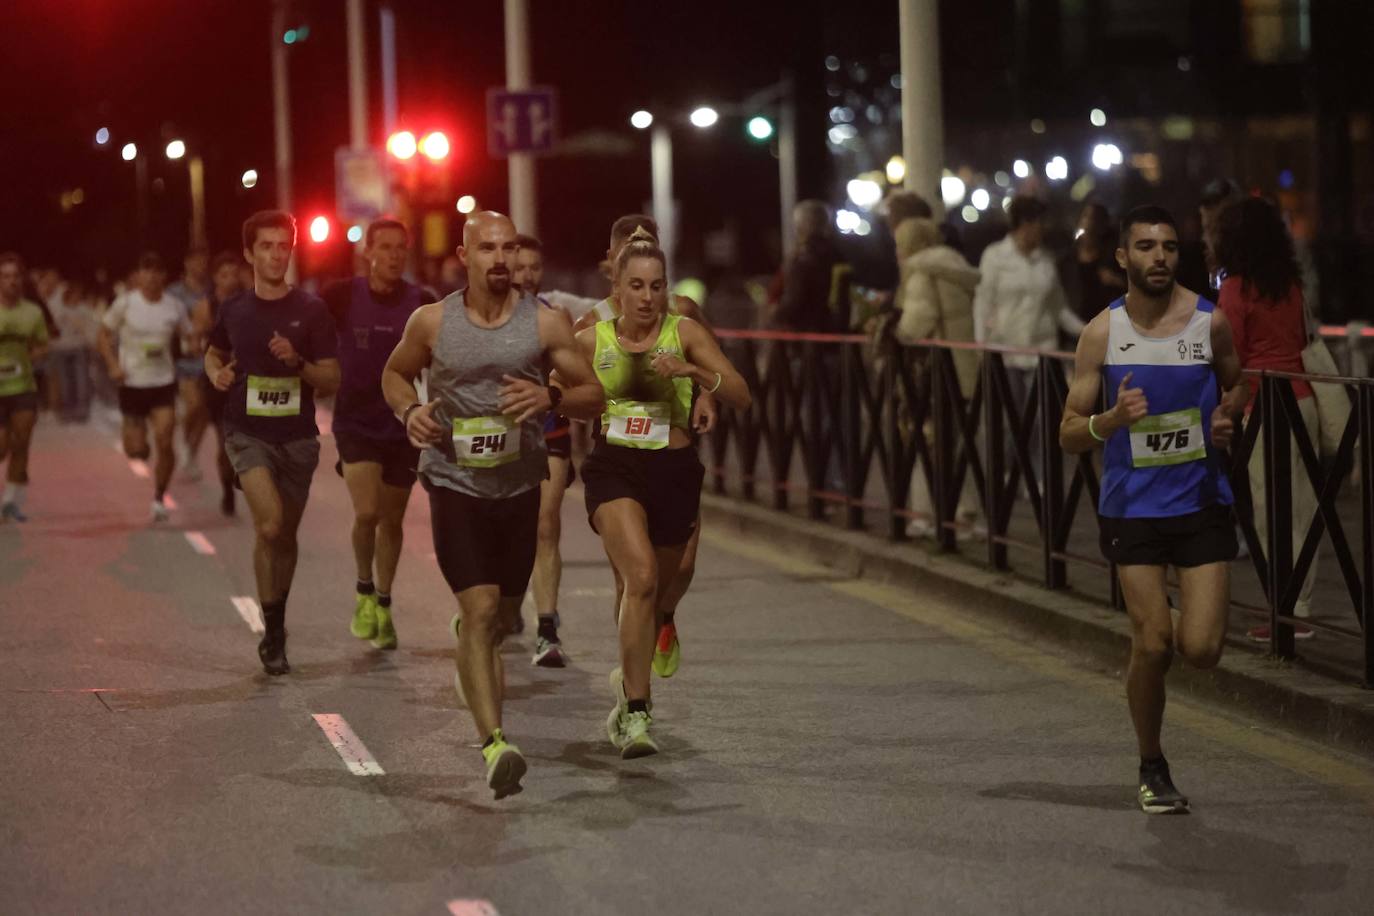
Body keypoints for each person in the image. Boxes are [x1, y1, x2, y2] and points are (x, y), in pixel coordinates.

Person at [382, 211, 602, 799]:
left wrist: (551, 393)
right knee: (480, 611)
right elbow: (395, 375)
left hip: (518, 485)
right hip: (453, 482)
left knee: (503, 617)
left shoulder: (546, 323)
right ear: (465, 255)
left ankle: (474, 641)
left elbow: (594, 396)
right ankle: (495, 744)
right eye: (488, 249)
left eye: (508, 247)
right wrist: (411, 412)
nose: (500, 258)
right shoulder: (433, 322)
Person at [1059, 205, 1247, 814]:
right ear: (1123, 258)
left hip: (1200, 501)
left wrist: (1228, 417)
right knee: (1156, 642)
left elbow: (1238, 382)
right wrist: (1110, 421)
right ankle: (1152, 763)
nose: (1159, 256)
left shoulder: (1209, 322)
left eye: (1168, 246)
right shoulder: (1102, 333)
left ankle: (1155, 646)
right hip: (1133, 508)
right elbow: (1068, 432)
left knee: (1202, 649)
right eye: (1145, 247)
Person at [576, 228, 751, 758]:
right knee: (642, 578)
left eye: (656, 286)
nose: (647, 297)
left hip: (674, 468)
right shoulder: (591, 338)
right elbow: (560, 396)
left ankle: (637, 667)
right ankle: (635, 712)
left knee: (668, 582)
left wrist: (693, 374)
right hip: (614, 469)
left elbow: (741, 393)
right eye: (636, 286)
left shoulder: (685, 331)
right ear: (619, 289)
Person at [568, 215, 718, 679]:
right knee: (634, 576)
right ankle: (630, 682)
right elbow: (574, 387)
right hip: (619, 456)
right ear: (611, 266)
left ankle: (665, 615)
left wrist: (706, 395)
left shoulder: (685, 311)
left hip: (675, 451)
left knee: (683, 565)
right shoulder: (591, 324)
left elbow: (711, 364)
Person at [204, 211, 340, 676]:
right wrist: (215, 374)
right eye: (266, 246)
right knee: (269, 526)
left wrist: (297, 361)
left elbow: (331, 378)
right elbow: (214, 352)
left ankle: (277, 618)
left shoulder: (311, 310)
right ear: (249, 253)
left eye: (284, 245)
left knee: (285, 536)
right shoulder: (235, 309)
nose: (276, 254)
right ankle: (274, 630)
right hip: (247, 432)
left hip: (298, 438)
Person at [321, 219, 435, 651]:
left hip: (401, 423)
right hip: (354, 422)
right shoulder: (341, 296)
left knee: (392, 519)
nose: (392, 255)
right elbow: (311, 330)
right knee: (366, 512)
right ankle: (363, 588)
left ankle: (384, 601)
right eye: (384, 247)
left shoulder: (420, 302)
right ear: (367, 251)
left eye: (399, 248)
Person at [1214, 196, 1319, 641]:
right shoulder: (1290, 285)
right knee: (1304, 510)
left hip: (1262, 407)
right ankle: (1301, 607)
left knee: (1268, 511)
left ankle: (1285, 612)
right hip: (1304, 400)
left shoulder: (1235, 289)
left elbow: (1230, 356)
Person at [892, 217, 981, 537]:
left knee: (927, 441)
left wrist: (895, 334)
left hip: (935, 372)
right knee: (960, 442)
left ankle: (929, 516)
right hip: (965, 365)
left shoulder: (921, 273)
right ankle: (965, 514)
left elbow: (917, 321)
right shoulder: (956, 265)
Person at [512, 232, 573, 664]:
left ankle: (547, 628)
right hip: (499, 440)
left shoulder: (556, 318)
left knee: (546, 523)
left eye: (534, 267)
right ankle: (498, 605)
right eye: (519, 267)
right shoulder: (482, 320)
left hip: (550, 433)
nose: (527, 275)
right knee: (506, 531)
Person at [99, 252, 193, 522]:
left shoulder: (174, 306)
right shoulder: (126, 304)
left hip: (163, 382)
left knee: (165, 439)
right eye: (146, 271)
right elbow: (103, 335)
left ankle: (159, 497)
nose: (151, 277)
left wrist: (195, 341)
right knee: (136, 451)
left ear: (164, 277)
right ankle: (137, 440)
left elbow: (188, 338)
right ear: (138, 276)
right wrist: (112, 364)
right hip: (132, 383)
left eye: (156, 271)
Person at [191, 252, 247, 515]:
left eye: (234, 274)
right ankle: (228, 489)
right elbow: (197, 343)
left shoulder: (251, 302)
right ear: (215, 278)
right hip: (219, 384)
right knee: (225, 442)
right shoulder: (206, 307)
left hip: (247, 381)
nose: (230, 280)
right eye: (224, 275)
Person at [0, 252, 50, 522]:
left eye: (15, 276)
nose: (11, 282)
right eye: (5, 276)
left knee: (21, 442)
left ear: (22, 280)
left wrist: (34, 356)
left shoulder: (32, 312)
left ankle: (9, 501)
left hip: (23, 387)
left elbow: (43, 343)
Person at [168, 247, 211, 480]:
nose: (199, 266)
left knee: (204, 411)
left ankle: (191, 453)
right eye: (195, 261)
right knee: (193, 404)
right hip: (184, 359)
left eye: (203, 261)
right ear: (186, 263)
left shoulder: (210, 291)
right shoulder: (174, 293)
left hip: (208, 358)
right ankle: (184, 442)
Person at [1058, 202, 1126, 331]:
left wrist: (1116, 280)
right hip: (1073, 330)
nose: (1089, 223)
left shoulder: (1114, 260)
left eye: (1094, 219)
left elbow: (1131, 291)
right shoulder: (1067, 261)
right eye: (1085, 217)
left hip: (1107, 329)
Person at [48, 276, 100, 423]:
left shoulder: (83, 309)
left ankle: (82, 410)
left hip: (79, 347)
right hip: (61, 348)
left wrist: (87, 334)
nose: (77, 296)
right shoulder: (59, 309)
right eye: (74, 293)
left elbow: (92, 327)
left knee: (81, 379)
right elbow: (52, 327)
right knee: (65, 381)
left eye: (79, 294)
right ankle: (66, 410)